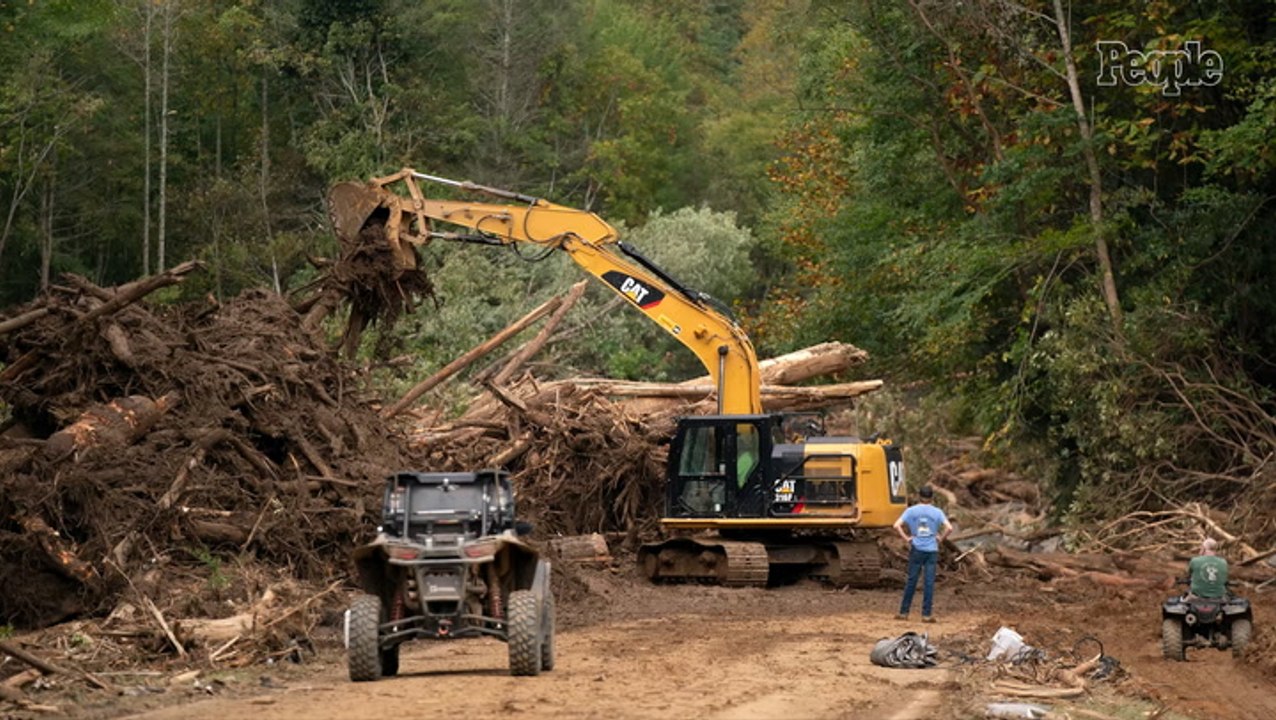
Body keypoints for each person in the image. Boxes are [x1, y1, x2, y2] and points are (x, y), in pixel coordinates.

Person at [893, 485, 952, 623]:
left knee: (912, 580)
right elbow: (949, 528)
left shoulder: (911, 511)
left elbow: (896, 525)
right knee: (929, 582)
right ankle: (926, 614)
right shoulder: (937, 512)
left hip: (917, 548)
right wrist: (940, 538)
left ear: (919, 496)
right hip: (931, 550)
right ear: (932, 498)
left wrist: (907, 538)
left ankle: (904, 612)